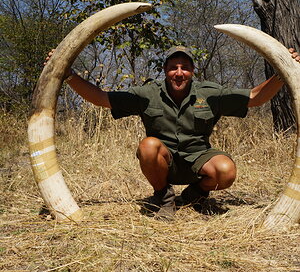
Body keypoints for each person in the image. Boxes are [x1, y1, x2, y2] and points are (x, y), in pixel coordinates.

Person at [45, 46, 300, 221]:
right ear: (165, 71)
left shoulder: (210, 92)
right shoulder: (148, 93)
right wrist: (68, 75)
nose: (179, 72)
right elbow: (101, 98)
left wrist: (282, 72)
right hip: (163, 162)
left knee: (226, 171)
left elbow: (255, 97)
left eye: (185, 67)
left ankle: (195, 194)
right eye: (173, 67)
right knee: (148, 146)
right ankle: (164, 197)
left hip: (198, 157)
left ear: (192, 71)